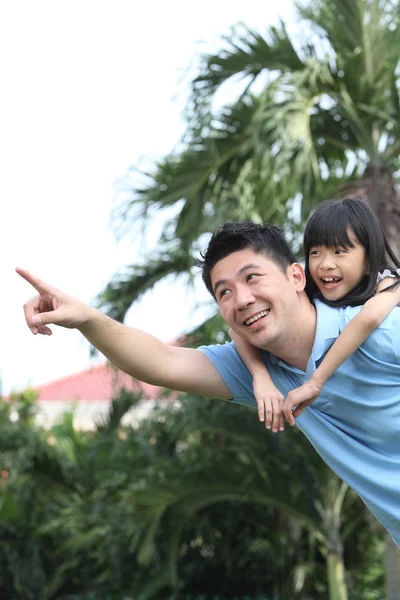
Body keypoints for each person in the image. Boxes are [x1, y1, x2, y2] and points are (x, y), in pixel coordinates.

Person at [17, 203, 400, 547]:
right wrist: (87, 318)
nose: (242, 299)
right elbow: (162, 362)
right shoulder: (262, 370)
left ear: (297, 276)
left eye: (253, 278)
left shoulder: (383, 330)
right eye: (224, 292)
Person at [228, 198, 400, 432]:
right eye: (316, 252)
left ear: (369, 261)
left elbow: (369, 318)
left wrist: (315, 382)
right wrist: (261, 378)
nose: (325, 264)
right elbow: (235, 330)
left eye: (339, 251)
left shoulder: (389, 283)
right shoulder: (308, 293)